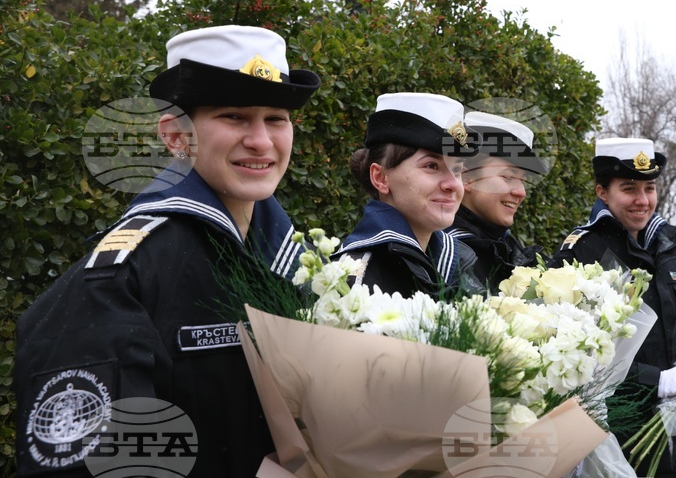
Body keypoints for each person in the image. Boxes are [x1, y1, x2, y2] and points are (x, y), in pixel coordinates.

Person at [15, 25, 320, 476]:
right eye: (234, 116)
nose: (261, 141)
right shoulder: (124, 274)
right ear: (175, 136)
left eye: (276, 118)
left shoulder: (301, 263)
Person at [555, 138, 676, 477]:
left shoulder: (669, 243)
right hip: (628, 430)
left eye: (650, 187)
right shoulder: (581, 253)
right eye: (629, 189)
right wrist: (655, 380)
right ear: (602, 192)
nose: (642, 201)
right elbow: (577, 359)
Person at [338, 92, 480, 296]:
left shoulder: (459, 264)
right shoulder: (354, 279)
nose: (453, 185)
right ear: (380, 177)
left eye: (457, 170)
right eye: (431, 166)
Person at [446, 111, 548, 292]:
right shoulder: (447, 255)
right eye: (508, 177)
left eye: (523, 181)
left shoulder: (506, 245)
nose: (521, 192)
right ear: (467, 177)